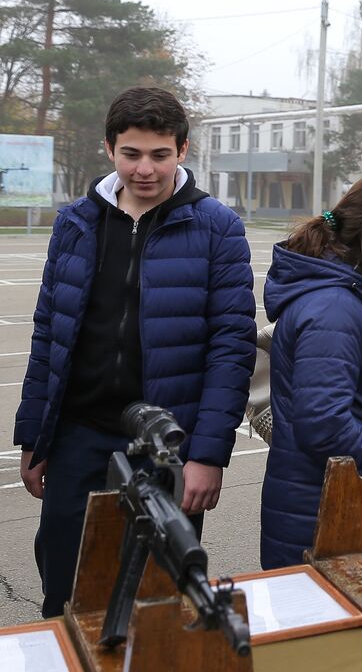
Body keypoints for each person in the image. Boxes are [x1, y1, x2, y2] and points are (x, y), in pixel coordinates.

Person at [14, 86, 255, 617]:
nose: (145, 169)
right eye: (131, 154)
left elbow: (231, 349)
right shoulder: (75, 223)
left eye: (159, 154)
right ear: (110, 149)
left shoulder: (218, 229)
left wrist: (208, 455)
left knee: (158, 599)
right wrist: (34, 437)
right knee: (66, 589)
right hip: (79, 435)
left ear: (183, 151)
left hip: (166, 445)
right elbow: (48, 335)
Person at [260, 171, 362, 568]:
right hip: (324, 514)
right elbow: (322, 422)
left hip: (331, 506)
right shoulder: (333, 308)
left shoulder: (354, 295)